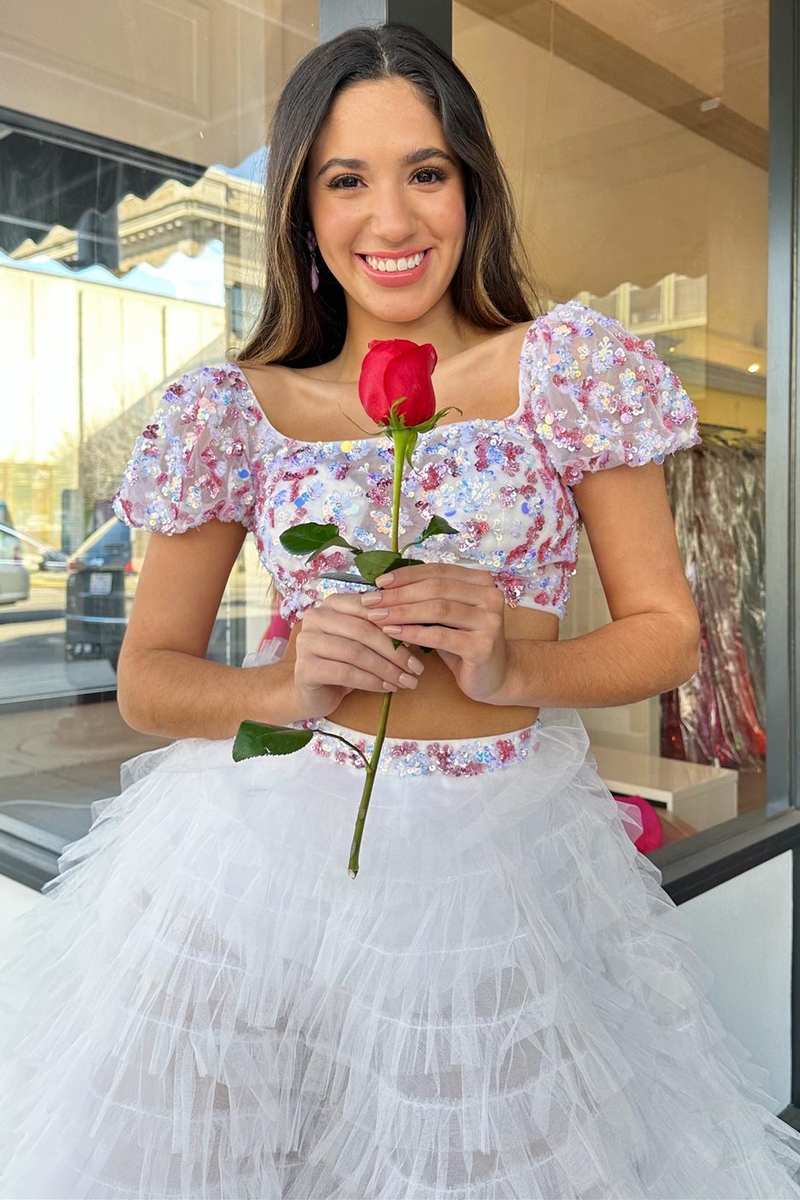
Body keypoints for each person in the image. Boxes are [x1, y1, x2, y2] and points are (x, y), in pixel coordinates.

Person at [1, 21, 799, 1200]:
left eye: (424, 171)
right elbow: (152, 679)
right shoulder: (234, 406)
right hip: (248, 859)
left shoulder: (567, 369)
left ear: (470, 187)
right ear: (303, 211)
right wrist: (286, 686)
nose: (391, 218)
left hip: (497, 865)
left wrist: (513, 669)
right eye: (346, 179)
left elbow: (665, 633)